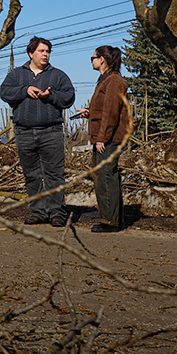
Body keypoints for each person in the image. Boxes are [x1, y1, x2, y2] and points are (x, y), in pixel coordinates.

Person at [0, 37, 75, 227]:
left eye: (48, 51)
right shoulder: (16, 75)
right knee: (31, 175)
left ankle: (56, 213)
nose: (45, 54)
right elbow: (4, 92)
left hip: (51, 132)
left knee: (54, 175)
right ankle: (38, 212)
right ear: (31, 53)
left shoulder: (58, 75)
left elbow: (69, 97)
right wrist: (24, 90)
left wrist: (51, 96)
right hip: (24, 132)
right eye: (41, 51)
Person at [76, 45, 129, 233]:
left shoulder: (113, 81)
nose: (91, 61)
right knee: (106, 175)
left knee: (105, 176)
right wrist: (90, 112)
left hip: (109, 138)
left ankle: (109, 221)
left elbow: (111, 112)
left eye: (93, 58)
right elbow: (104, 109)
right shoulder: (105, 80)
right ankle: (114, 218)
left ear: (102, 59)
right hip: (106, 137)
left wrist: (102, 138)